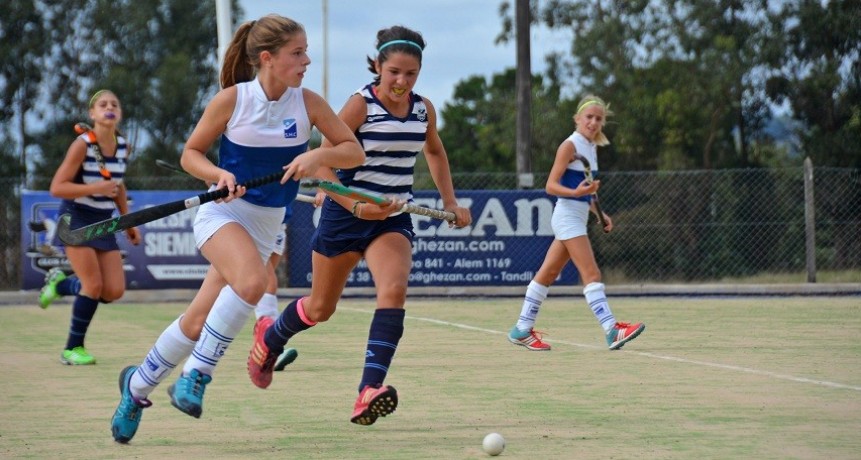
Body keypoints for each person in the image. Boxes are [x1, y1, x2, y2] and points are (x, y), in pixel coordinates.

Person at [110, 14, 364, 443]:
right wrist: (219, 175)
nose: (306, 61)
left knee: (196, 321)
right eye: (297, 53)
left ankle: (135, 387)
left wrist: (317, 157)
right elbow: (191, 154)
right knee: (252, 282)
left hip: (266, 226)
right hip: (224, 215)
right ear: (267, 58)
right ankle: (196, 374)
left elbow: (353, 152)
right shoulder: (233, 100)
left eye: (305, 52)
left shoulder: (309, 103)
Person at [246, 25, 472, 426]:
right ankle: (270, 339)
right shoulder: (359, 105)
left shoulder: (424, 110)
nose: (402, 81)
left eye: (411, 74)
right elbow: (323, 162)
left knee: (394, 291)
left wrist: (450, 201)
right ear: (378, 67)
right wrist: (353, 204)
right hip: (345, 217)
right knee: (320, 308)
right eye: (394, 72)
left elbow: (435, 151)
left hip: (392, 218)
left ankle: (368, 390)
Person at [507, 95, 644, 352]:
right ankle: (612, 329)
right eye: (589, 117)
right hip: (567, 216)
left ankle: (522, 329)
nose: (593, 122)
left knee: (547, 274)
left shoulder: (590, 148)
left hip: (577, 215)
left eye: (598, 119)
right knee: (591, 274)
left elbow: (586, 191)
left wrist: (600, 214)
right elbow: (551, 186)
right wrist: (577, 193)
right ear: (577, 118)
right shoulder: (569, 146)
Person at [47, 90, 141, 365]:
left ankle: (61, 284)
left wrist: (127, 221)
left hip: (103, 220)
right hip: (74, 218)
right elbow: (57, 187)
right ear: (92, 114)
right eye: (103, 104)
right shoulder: (82, 145)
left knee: (112, 291)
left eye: (114, 104)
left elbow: (118, 186)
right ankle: (72, 349)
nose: (109, 107)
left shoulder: (123, 146)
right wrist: (95, 188)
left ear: (119, 113)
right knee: (93, 284)